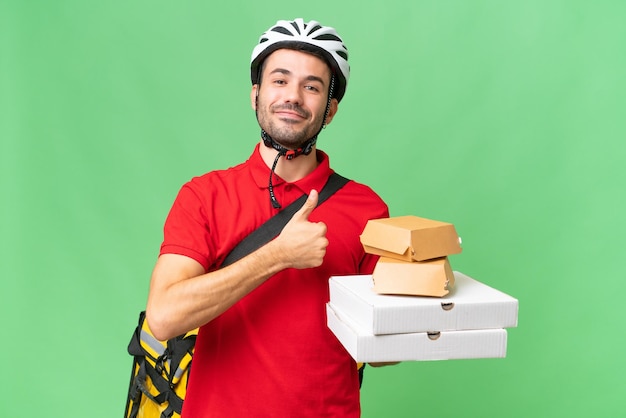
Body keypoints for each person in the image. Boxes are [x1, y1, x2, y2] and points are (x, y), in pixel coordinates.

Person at [145, 18, 389, 417]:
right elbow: (164, 316)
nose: (293, 96)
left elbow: (381, 354)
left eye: (312, 86)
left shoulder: (367, 209)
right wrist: (278, 255)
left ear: (329, 110)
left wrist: (421, 302)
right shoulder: (204, 196)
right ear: (255, 94)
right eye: (280, 80)